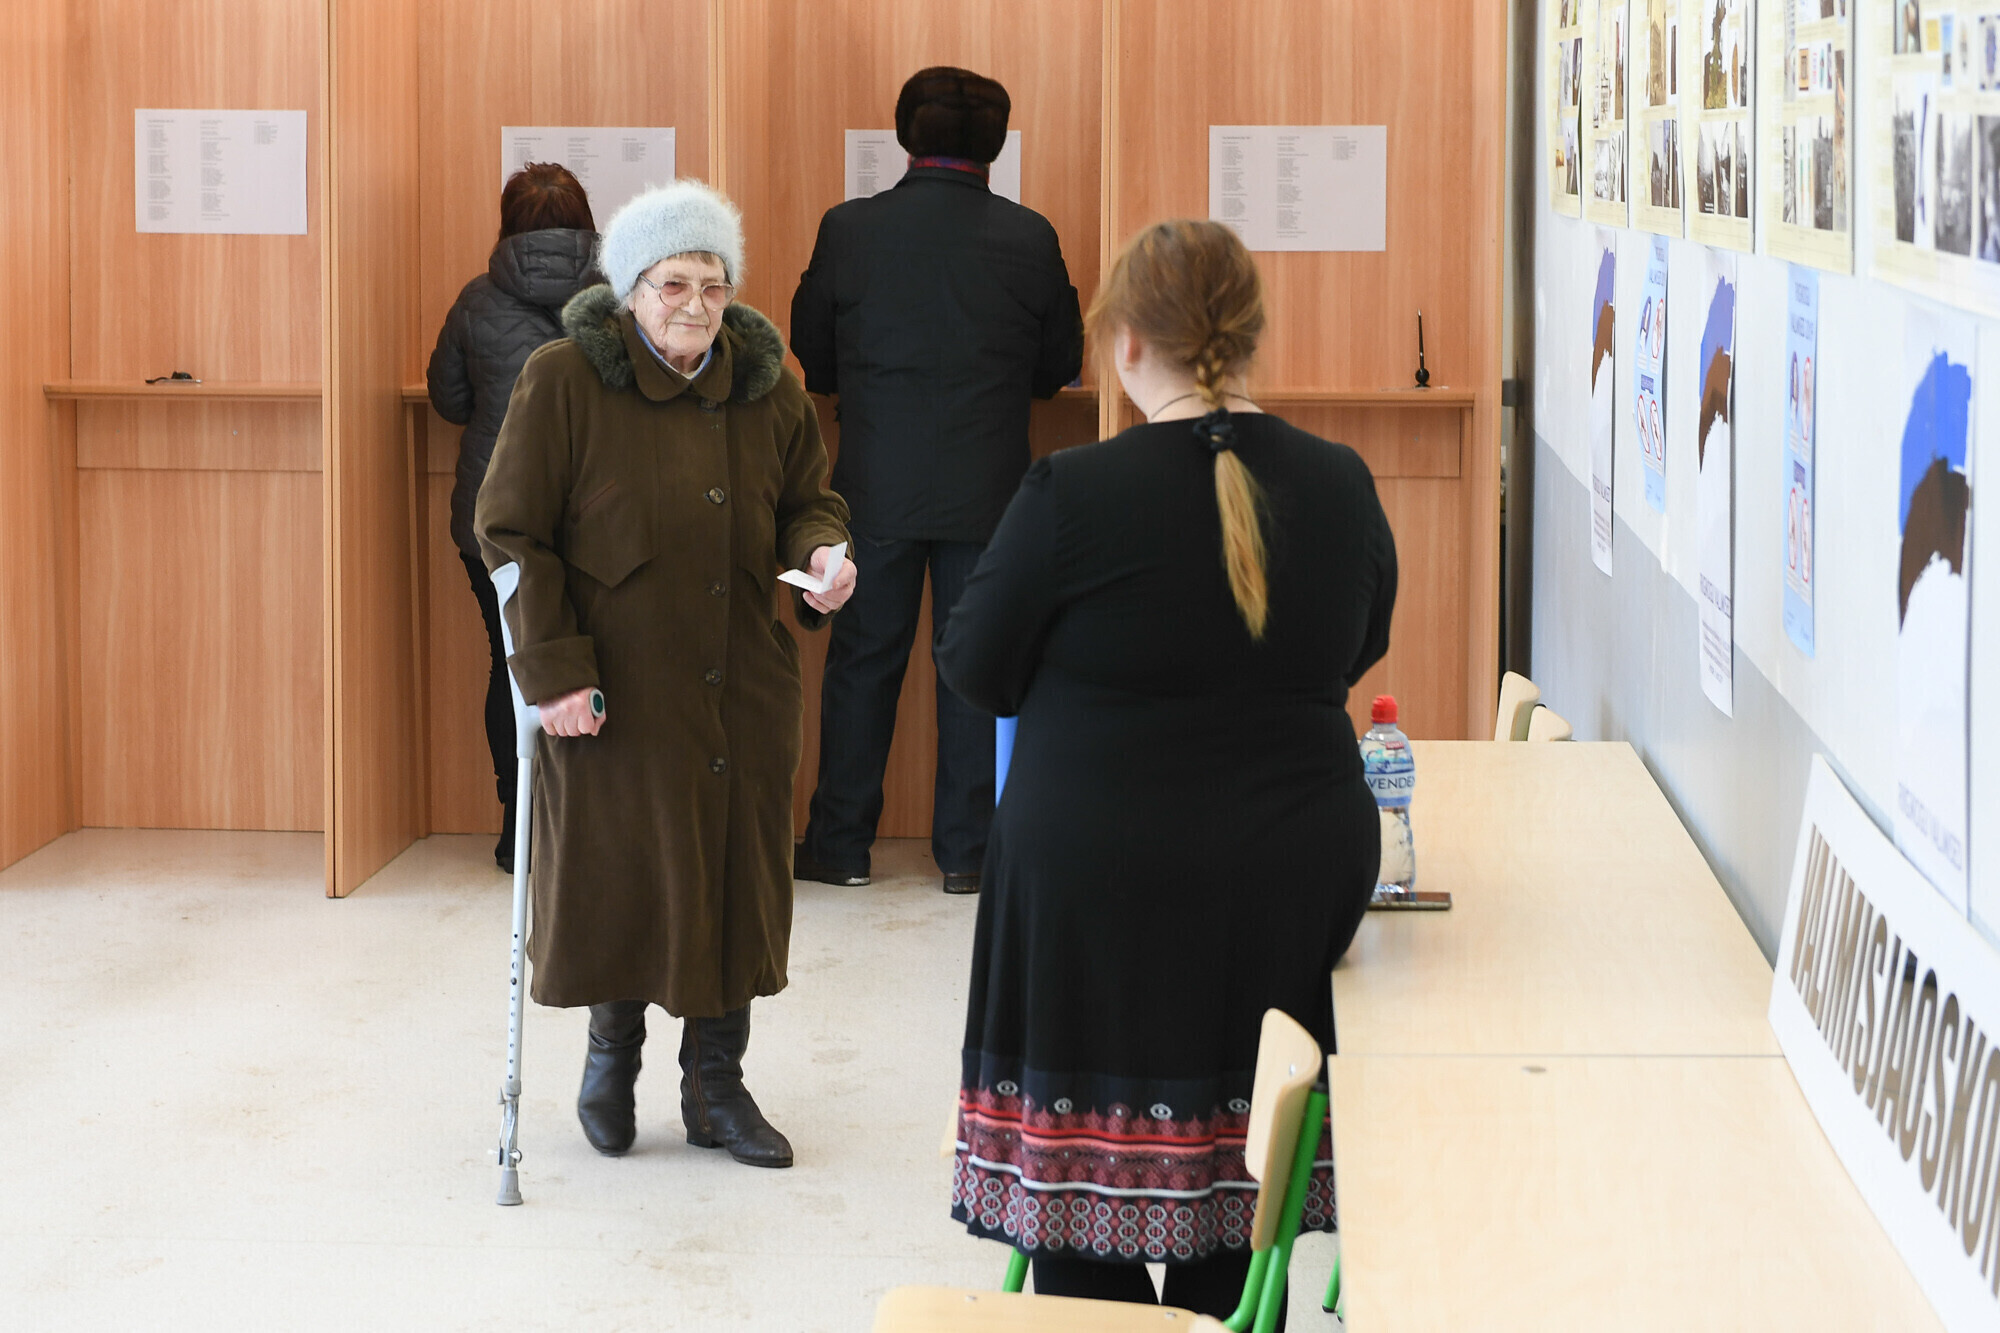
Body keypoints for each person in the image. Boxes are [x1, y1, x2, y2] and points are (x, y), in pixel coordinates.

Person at [934, 220, 1398, 1322]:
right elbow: (1359, 643)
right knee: (1242, 1201)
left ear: (1127, 341)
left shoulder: (1070, 492)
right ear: (1249, 336)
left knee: (1076, 1229)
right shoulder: (1339, 482)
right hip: (1292, 870)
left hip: (1095, 883)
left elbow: (973, 665)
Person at [475, 180, 855, 1169]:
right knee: (624, 876)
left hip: (742, 686)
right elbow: (509, 529)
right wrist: (554, 671)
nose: (696, 304)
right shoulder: (565, 378)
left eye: (714, 284)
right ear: (630, 287)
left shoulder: (766, 384)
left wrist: (823, 554)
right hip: (617, 690)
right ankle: (611, 1060)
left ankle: (716, 1084)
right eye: (673, 283)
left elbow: (808, 501)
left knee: (732, 881)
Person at [790, 66, 1083, 895]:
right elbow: (1059, 363)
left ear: (903, 135)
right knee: (975, 664)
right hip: (989, 489)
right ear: (996, 145)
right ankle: (969, 852)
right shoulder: (1029, 237)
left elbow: (811, 349)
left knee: (861, 663)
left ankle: (841, 845)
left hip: (873, 481)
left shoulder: (849, 229)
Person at [427, 162, 600, 873]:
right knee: (591, 665)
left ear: (507, 226)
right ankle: (583, 833)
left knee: (511, 668)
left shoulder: (476, 300)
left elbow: (448, 400)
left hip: (493, 523)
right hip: (591, 522)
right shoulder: (621, 297)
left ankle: (517, 832)